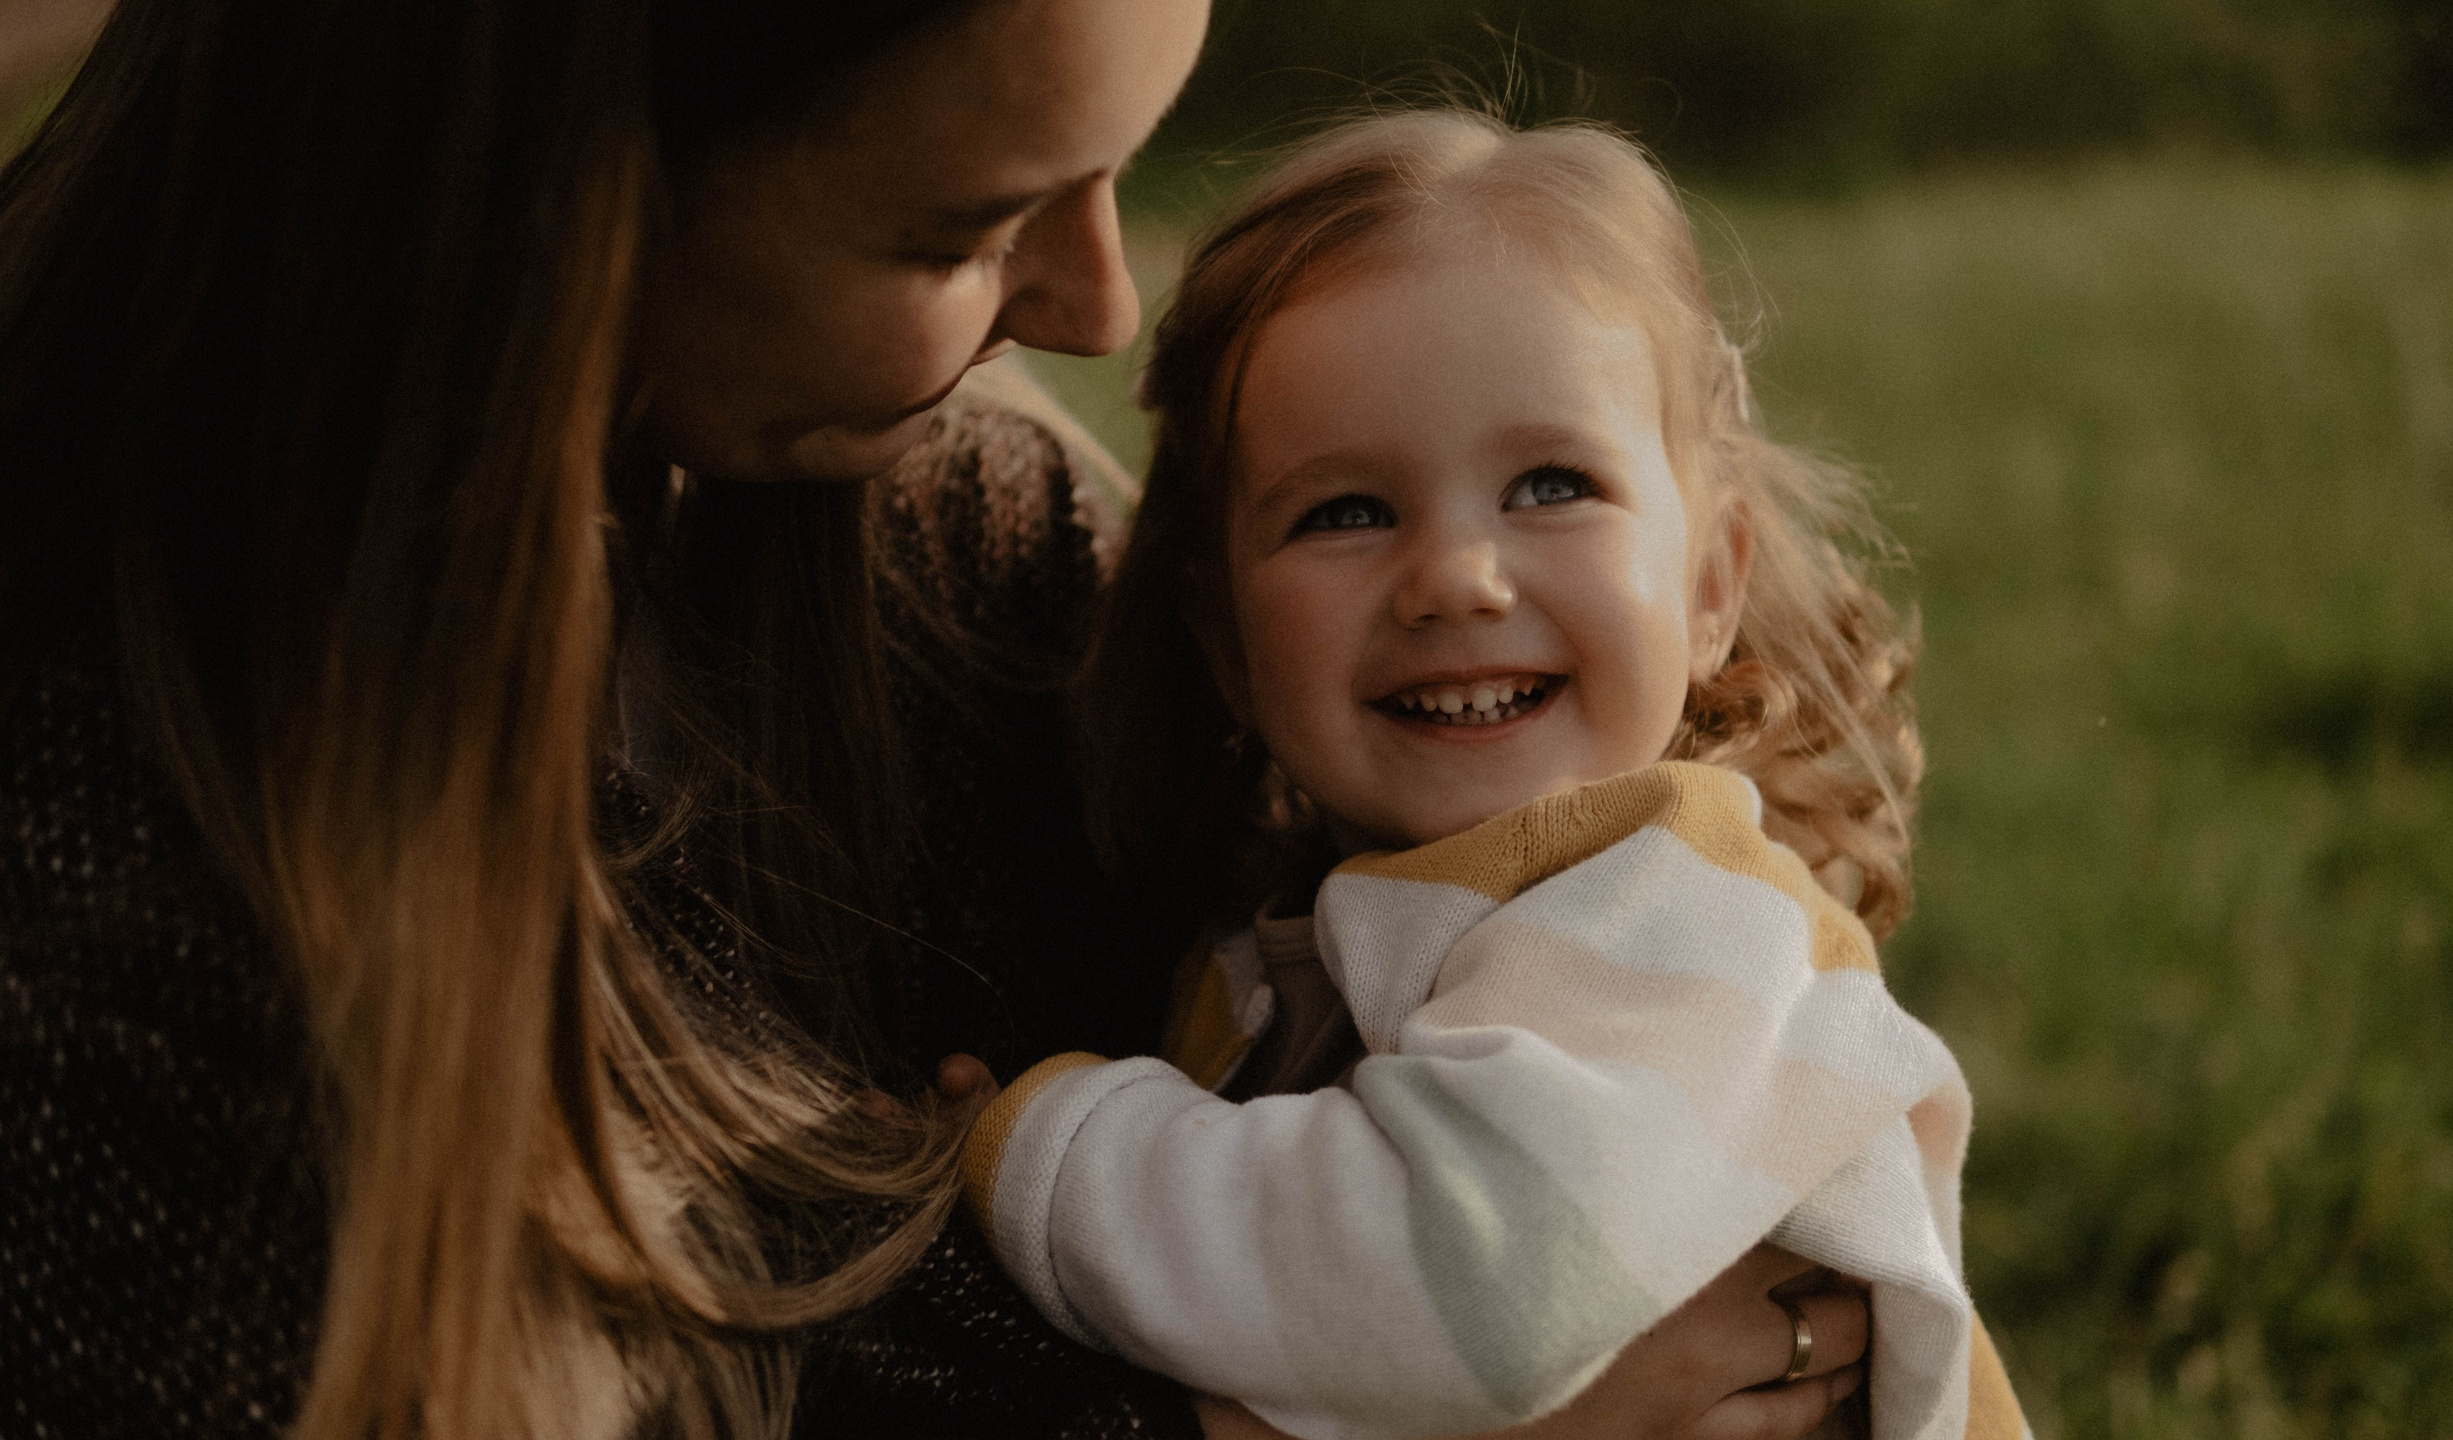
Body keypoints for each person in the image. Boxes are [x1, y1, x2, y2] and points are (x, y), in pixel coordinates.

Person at [0, 2, 1871, 1436]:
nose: (1094, 303)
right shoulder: (106, 869)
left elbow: (1515, 902)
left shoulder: (958, 542)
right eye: (963, 230)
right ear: (552, 200)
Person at [963, 111, 2030, 1440]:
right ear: (1224, 639)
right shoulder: (1336, 914)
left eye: (1551, 485)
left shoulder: (1676, 922)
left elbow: (1456, 1288)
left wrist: (1055, 1151)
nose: (1458, 579)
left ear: (1710, 588)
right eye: (1345, 512)